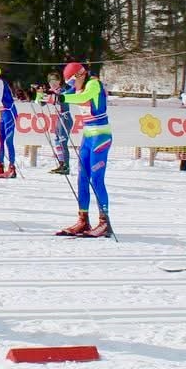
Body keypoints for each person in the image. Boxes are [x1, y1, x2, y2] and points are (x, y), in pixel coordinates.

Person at [54, 61, 114, 238]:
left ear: (81, 75)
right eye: (70, 83)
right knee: (82, 178)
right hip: (88, 136)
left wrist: (62, 98)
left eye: (73, 81)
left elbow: (82, 98)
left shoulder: (93, 84)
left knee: (96, 179)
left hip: (101, 136)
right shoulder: (77, 87)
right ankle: (83, 220)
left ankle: (104, 223)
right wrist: (44, 97)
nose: (72, 85)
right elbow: (64, 95)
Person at [41, 72, 72, 175]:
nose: (53, 83)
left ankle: (66, 166)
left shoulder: (62, 91)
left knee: (63, 142)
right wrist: (40, 97)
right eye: (51, 81)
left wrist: (51, 98)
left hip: (65, 118)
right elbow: (42, 103)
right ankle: (62, 164)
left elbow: (61, 99)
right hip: (59, 119)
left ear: (59, 81)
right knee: (57, 141)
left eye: (55, 81)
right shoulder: (52, 91)